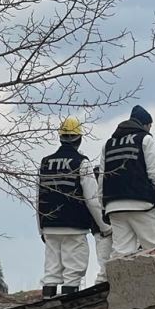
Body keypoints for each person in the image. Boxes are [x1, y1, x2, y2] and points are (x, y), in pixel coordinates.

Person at [37, 117, 111, 298]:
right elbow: (93, 199)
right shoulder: (81, 163)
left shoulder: (45, 163)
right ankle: (68, 307)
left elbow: (38, 198)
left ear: (60, 137)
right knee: (73, 273)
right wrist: (104, 227)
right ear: (79, 139)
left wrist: (41, 229)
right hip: (74, 227)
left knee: (51, 271)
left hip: (49, 226)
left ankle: (47, 307)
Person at [99, 105, 155, 259]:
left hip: (114, 206)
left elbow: (102, 178)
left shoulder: (108, 144)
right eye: (150, 126)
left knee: (122, 253)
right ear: (145, 124)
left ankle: (121, 283)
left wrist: (102, 205)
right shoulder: (145, 139)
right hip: (142, 203)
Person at [90, 165, 112, 284]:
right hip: (107, 227)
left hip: (102, 228)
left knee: (105, 265)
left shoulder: (92, 177)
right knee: (106, 266)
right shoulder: (111, 175)